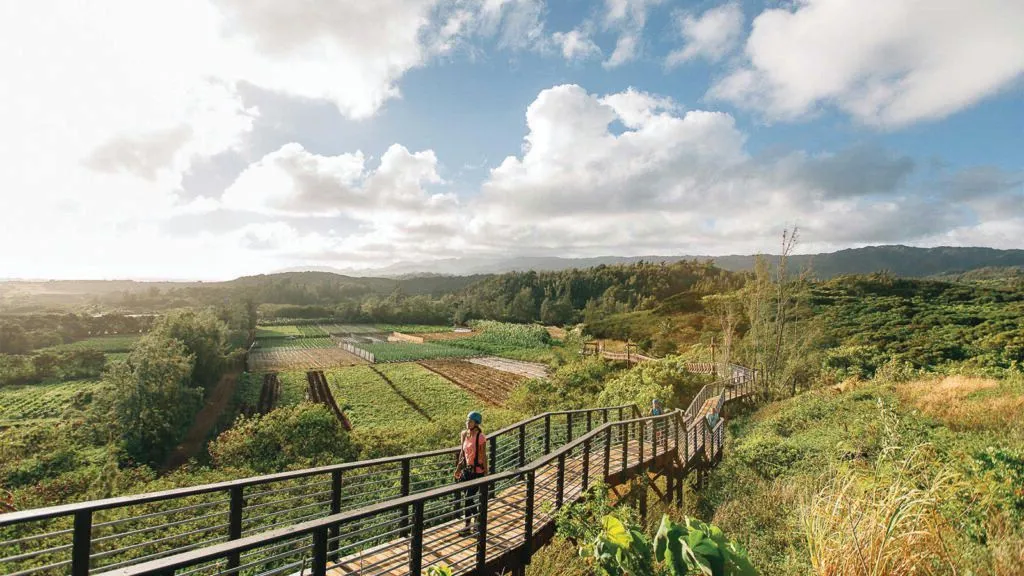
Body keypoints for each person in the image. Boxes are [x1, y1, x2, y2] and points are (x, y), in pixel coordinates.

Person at [455, 411, 488, 536]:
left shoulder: (480, 437)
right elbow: (462, 454)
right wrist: (458, 468)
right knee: (468, 499)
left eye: (470, 421)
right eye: (467, 420)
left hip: (477, 472)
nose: (467, 423)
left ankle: (468, 525)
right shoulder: (464, 434)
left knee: (468, 498)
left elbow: (484, 455)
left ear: (476, 423)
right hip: (466, 471)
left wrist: (486, 473)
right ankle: (474, 522)